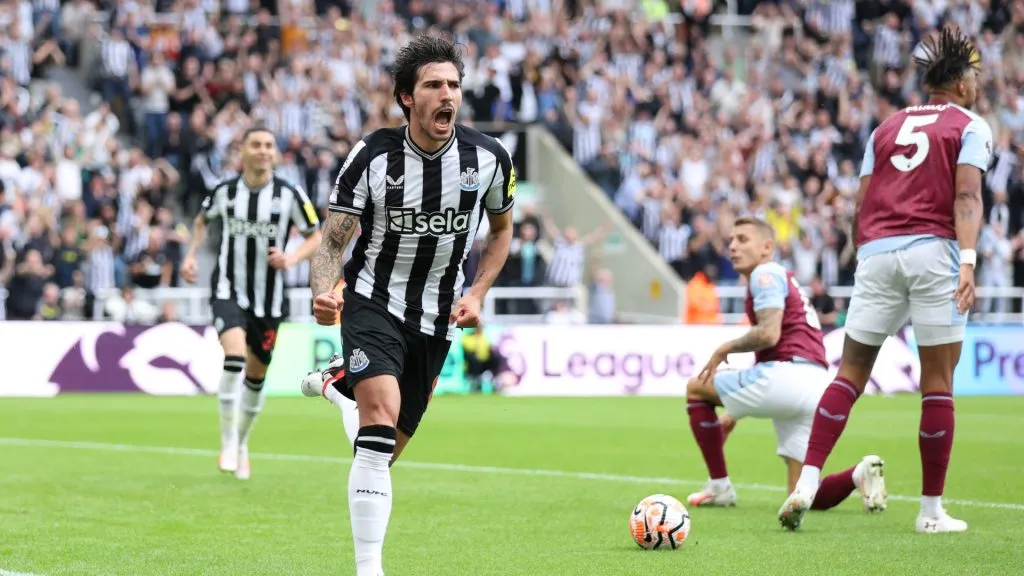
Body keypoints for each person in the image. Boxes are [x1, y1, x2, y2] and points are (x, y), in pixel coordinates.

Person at [301, 34, 515, 576]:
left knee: (383, 450)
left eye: (454, 85)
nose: (448, 94)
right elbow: (332, 240)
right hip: (373, 300)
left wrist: (477, 292)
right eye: (433, 85)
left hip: (436, 318)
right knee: (378, 422)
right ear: (406, 98)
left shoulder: (488, 159)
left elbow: (502, 230)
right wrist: (324, 294)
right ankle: (368, 568)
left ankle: (335, 384)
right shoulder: (372, 155)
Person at [778, 28, 992, 534]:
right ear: (960, 84)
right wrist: (968, 261)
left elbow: (861, 204)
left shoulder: (885, 127)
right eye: (975, 77)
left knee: (849, 375)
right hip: (934, 251)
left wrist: (867, 256)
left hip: (876, 254)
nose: (977, 85)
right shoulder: (970, 125)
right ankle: (930, 513)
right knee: (937, 381)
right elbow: (967, 197)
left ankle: (806, 481)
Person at [687, 217, 888, 519]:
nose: (732, 246)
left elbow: (769, 334)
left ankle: (719, 487)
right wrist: (734, 408)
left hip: (786, 376)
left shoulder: (764, 273)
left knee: (696, 389)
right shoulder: (783, 276)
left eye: (742, 239)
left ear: (767, 247)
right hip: (815, 384)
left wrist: (723, 348)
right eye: (731, 240)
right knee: (803, 491)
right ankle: (858, 474)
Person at [181, 126, 323, 480]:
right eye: (256, 145)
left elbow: (315, 236)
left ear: (275, 154)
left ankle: (242, 442)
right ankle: (228, 442)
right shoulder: (225, 192)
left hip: (270, 300)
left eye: (269, 146)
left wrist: (291, 259)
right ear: (242, 151)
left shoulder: (290, 194)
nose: (263, 151)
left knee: (257, 377)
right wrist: (191, 255)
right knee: (233, 357)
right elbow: (201, 221)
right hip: (229, 288)